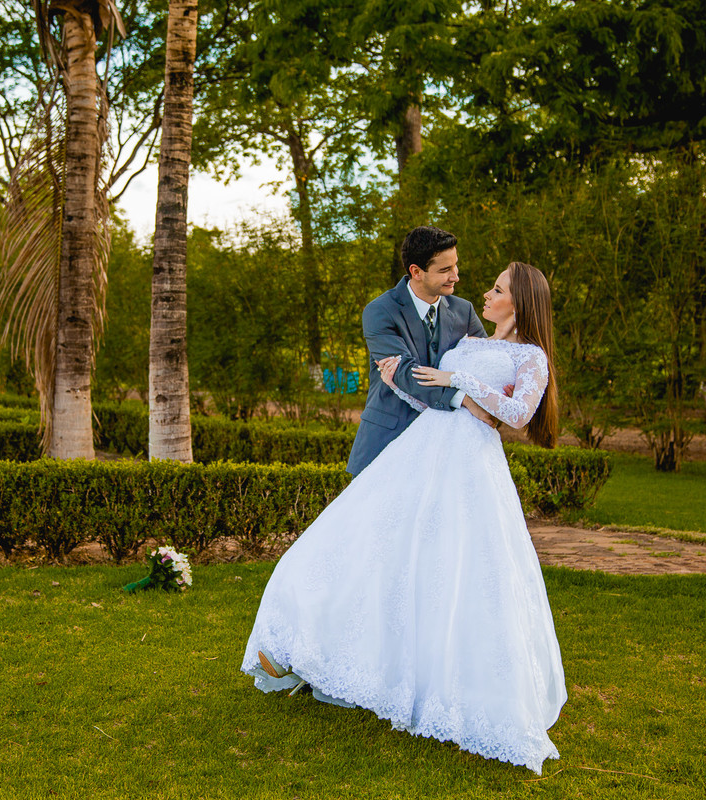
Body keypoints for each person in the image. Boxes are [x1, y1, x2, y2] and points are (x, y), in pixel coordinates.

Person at [241, 262, 567, 775]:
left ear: (518, 303)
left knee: (451, 571)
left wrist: (458, 380)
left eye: (498, 288)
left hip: (469, 472)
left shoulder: (530, 357)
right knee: (358, 545)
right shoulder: (471, 339)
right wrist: (400, 385)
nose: (486, 291)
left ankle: (441, 683)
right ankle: (317, 649)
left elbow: (519, 414)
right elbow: (442, 402)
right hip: (420, 452)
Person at [346, 226, 495, 476]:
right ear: (416, 271)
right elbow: (403, 372)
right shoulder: (380, 311)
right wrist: (464, 399)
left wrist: (499, 388)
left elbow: (486, 361)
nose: (456, 276)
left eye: (455, 266)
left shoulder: (464, 310)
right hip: (389, 440)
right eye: (445, 270)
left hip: (445, 446)